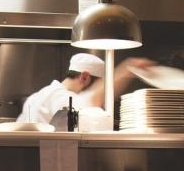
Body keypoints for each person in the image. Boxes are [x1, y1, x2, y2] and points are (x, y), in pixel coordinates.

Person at [18, 53, 153, 124]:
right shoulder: (61, 97)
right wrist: (127, 69)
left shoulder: (36, 96)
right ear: (84, 77)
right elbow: (91, 100)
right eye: (98, 84)